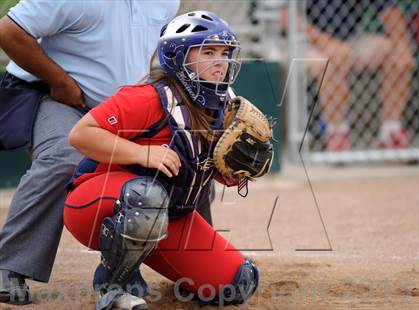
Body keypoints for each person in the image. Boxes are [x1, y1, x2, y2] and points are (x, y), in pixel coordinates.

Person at [63, 11, 267, 310]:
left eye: (224, 53)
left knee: (237, 283)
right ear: (177, 56)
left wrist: (240, 168)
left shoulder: (224, 106)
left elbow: (216, 171)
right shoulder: (150, 96)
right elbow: (80, 135)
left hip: (167, 214)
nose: (220, 62)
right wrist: (143, 153)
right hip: (95, 203)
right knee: (147, 198)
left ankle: (154, 262)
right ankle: (114, 287)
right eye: (208, 52)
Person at [0, 0, 179, 305]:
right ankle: (8, 266)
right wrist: (60, 81)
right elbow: (9, 31)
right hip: (56, 96)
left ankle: (187, 271)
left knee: (178, 157)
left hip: (119, 109)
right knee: (65, 157)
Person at [279, 0, 415, 151]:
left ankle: (390, 133)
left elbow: (388, 7)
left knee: (395, 54)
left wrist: (402, 45)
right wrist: (327, 44)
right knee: (330, 62)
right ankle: (336, 134)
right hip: (300, 41)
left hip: (349, 40)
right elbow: (283, 16)